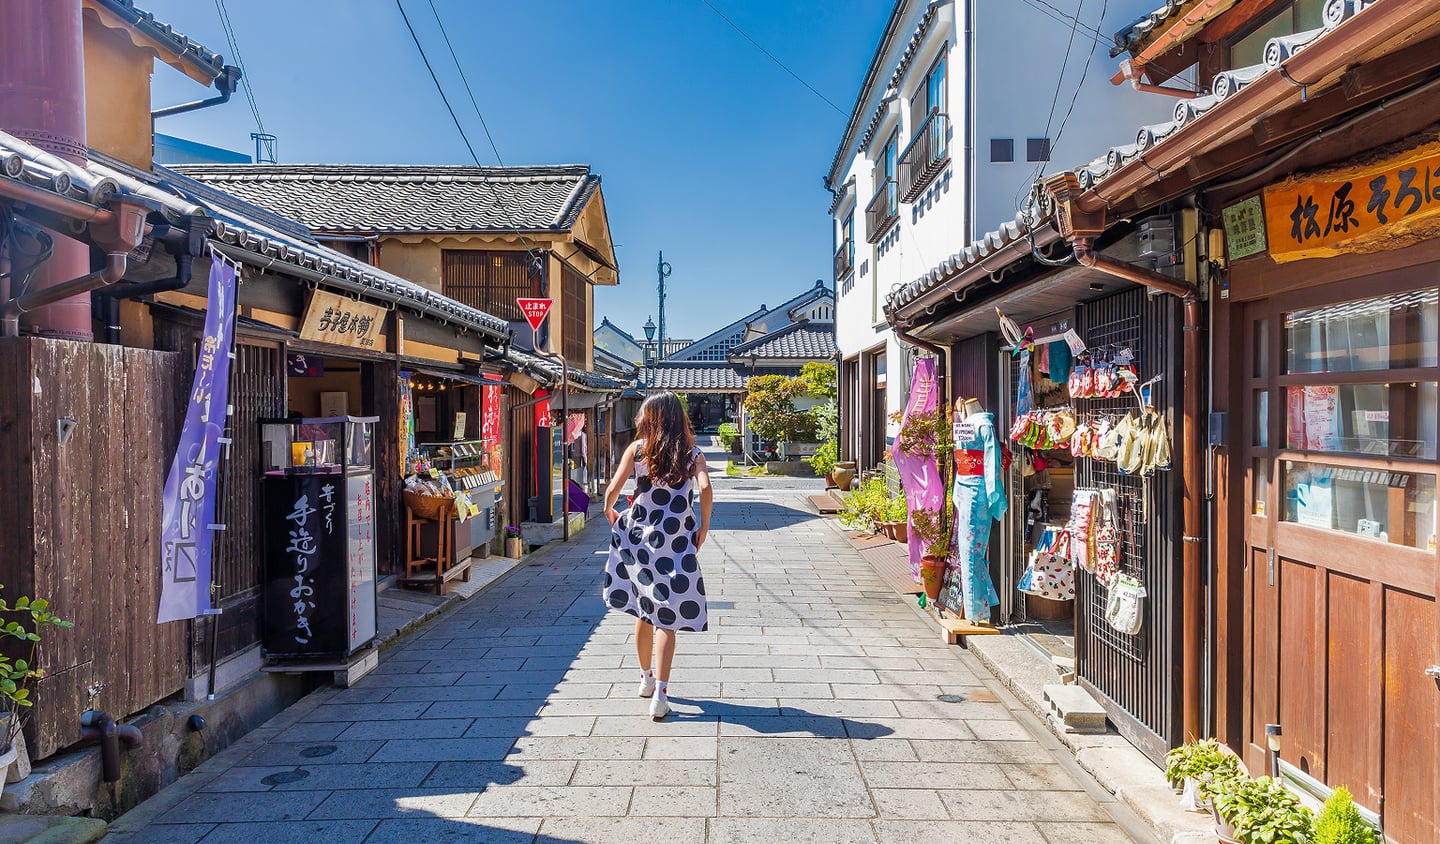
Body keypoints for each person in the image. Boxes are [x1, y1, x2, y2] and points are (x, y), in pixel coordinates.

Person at [602, 392, 712, 719]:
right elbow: (705, 489)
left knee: (643, 609)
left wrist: (610, 511)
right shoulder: (693, 455)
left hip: (639, 540)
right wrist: (703, 525)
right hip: (676, 543)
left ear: (653, 419)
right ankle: (661, 695)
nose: (638, 419)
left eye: (643, 415)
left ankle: (645, 679)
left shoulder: (637, 451)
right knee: (668, 619)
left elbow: (612, 490)